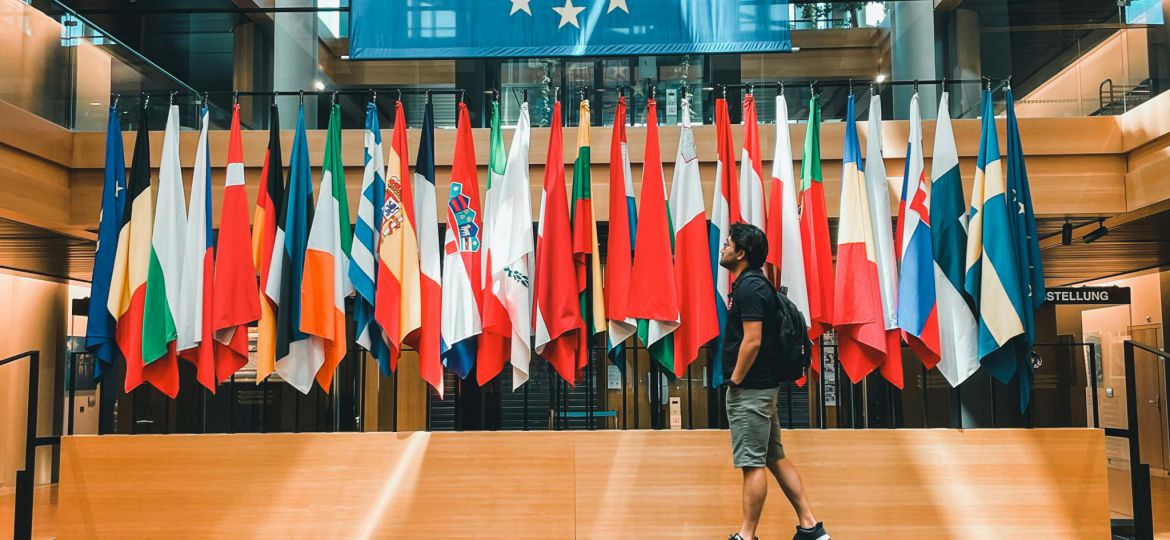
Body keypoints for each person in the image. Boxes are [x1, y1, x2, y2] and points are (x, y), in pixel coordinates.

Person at [718, 223, 829, 540]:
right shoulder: (756, 285)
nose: (723, 247)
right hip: (762, 388)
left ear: (741, 253)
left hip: (751, 390)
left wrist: (735, 380)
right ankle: (810, 527)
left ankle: (746, 535)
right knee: (774, 458)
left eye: (728, 243)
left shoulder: (749, 288)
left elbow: (752, 341)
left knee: (751, 464)